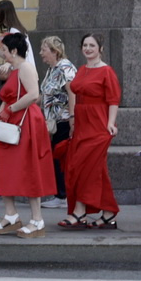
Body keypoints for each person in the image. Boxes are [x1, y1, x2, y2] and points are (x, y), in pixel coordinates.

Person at [0, 32, 51, 237]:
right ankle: (11, 215)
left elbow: (33, 95)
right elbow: (7, 97)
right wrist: (0, 118)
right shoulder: (14, 69)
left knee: (29, 169)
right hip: (12, 122)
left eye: (4, 50)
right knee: (4, 167)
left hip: (26, 123)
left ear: (14, 50)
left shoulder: (25, 68)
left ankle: (37, 219)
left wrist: (9, 110)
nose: (2, 53)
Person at [58, 33, 121, 229]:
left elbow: (113, 100)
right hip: (82, 125)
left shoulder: (106, 71)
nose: (87, 48)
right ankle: (109, 213)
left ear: (100, 49)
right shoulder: (83, 69)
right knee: (94, 170)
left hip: (98, 125)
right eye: (85, 45)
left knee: (83, 167)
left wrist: (111, 123)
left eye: (92, 45)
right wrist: (73, 120)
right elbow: (75, 94)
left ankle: (79, 211)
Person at [36, 35, 75, 209]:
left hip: (64, 120)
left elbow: (73, 93)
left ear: (54, 51)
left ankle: (63, 195)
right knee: (54, 157)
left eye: (44, 50)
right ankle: (59, 193)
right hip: (52, 121)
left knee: (60, 157)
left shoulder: (65, 68)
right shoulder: (52, 69)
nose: (41, 53)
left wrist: (73, 117)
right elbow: (45, 94)